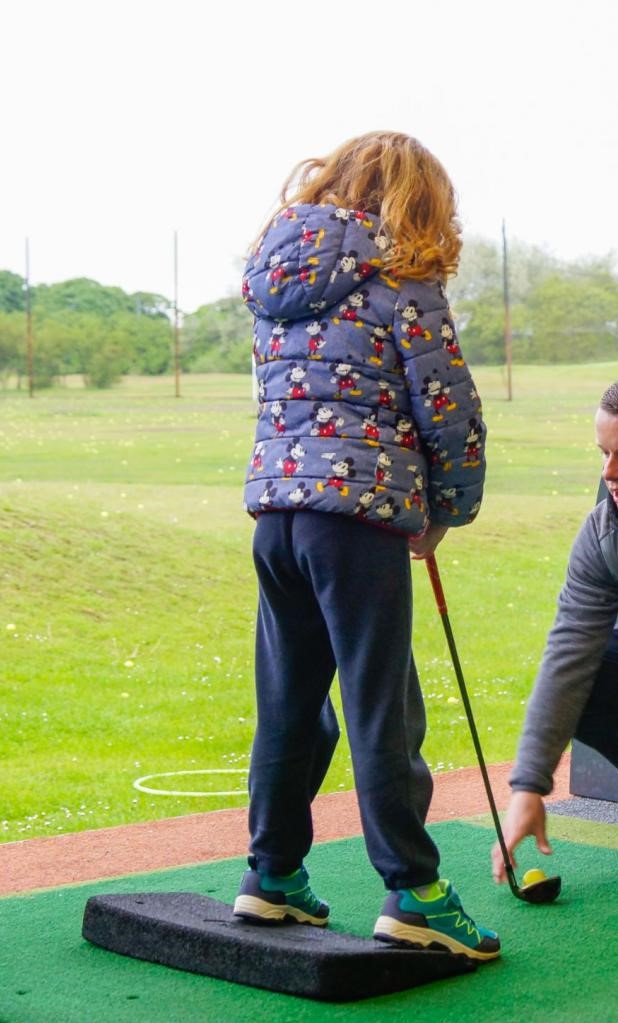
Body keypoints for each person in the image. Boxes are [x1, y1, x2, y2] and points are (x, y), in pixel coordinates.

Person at [232, 130, 500, 962]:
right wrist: (449, 507)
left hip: (277, 518)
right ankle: (415, 890)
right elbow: (448, 410)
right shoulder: (404, 281)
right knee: (383, 703)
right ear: (417, 200)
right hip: (355, 519)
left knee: (290, 700)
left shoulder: (275, 278)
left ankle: (272, 874)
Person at [493, 382, 618, 883]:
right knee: (595, 668)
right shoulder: (603, 533)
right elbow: (570, 654)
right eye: (605, 453)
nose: (609, 473)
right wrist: (528, 787)